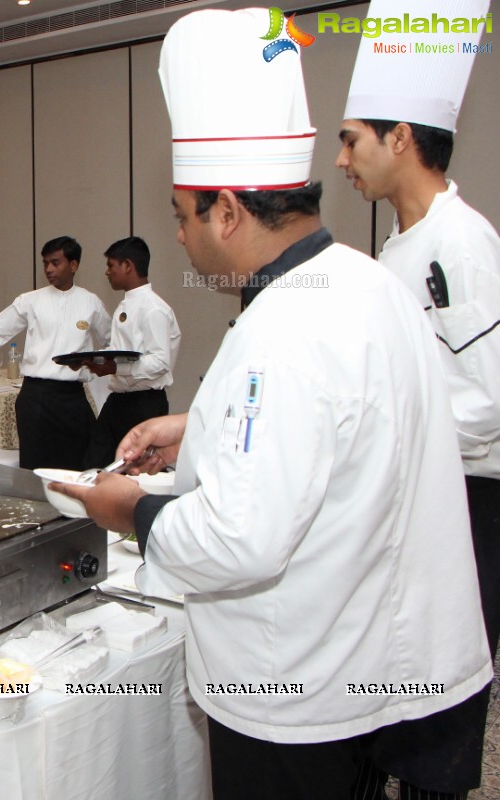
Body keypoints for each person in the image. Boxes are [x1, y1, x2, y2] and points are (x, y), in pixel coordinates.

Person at [51, 9, 490, 800]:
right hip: (368, 656)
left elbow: (238, 541)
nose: (179, 240)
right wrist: (200, 428)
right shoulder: (362, 278)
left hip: (296, 686)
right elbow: (350, 423)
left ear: (227, 211)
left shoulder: (283, 323)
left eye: (184, 218)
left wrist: (128, 513)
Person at [335, 1, 500, 795]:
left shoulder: (462, 242)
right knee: (380, 693)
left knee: (435, 696)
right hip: (404, 493)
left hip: (467, 501)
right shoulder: (396, 250)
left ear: (401, 138)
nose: (342, 160)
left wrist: (381, 437)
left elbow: (492, 397)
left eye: (351, 138)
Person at [0, 236, 110, 470]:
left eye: (55, 262)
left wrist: (95, 362)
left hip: (73, 397)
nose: (49, 269)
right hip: (36, 396)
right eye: (45, 263)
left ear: (73, 265)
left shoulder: (91, 303)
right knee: (34, 470)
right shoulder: (31, 301)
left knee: (83, 465)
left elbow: (110, 341)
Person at [82, 236, 179, 467]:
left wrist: (116, 367)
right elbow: (121, 352)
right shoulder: (125, 305)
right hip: (118, 400)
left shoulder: (154, 309)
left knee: (139, 471)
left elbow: (160, 362)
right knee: (96, 465)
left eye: (110, 265)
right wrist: (93, 360)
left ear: (127, 266)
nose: (107, 272)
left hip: (144, 403)